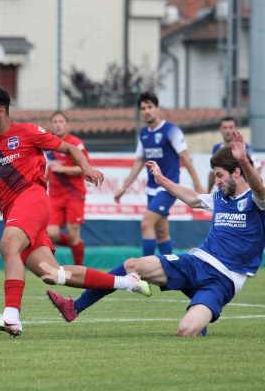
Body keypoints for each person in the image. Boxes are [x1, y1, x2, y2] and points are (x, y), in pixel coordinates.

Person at [0, 84, 151, 337]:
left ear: (1, 111)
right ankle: (127, 282)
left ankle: (12, 316)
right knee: (52, 274)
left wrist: (87, 169)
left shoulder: (27, 132)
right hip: (12, 210)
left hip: (32, 198)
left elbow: (69, 148)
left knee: (8, 246)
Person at [47, 131, 265, 336]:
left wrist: (244, 161)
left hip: (222, 280)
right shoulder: (220, 198)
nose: (216, 181)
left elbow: (260, 190)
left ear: (237, 172)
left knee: (185, 331)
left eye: (219, 175)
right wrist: (162, 181)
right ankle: (74, 307)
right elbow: (192, 198)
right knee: (132, 265)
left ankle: (199, 318)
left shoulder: (256, 201)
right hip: (195, 263)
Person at [114, 91, 205, 257]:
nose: (147, 111)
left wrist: (198, 184)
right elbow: (139, 161)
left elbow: (185, 157)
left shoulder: (171, 130)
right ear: (140, 112)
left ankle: (145, 274)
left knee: (146, 224)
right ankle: (169, 276)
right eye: (143, 108)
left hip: (168, 188)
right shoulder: (143, 133)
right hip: (151, 189)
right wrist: (124, 187)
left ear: (157, 109)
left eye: (150, 107)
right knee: (162, 232)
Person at [45, 111, 88, 265]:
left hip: (74, 195)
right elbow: (46, 168)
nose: (58, 124)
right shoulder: (47, 144)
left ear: (67, 124)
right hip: (55, 196)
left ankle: (80, 269)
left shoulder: (76, 144)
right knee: (51, 234)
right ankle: (77, 246)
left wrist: (63, 170)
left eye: (61, 121)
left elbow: (85, 167)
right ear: (51, 125)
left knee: (73, 232)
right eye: (55, 121)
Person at [207, 117, 252, 192]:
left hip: (241, 193)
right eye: (225, 128)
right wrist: (208, 192)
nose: (228, 131)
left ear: (235, 129)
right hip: (223, 193)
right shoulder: (216, 148)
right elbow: (213, 173)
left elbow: (254, 170)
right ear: (220, 129)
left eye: (231, 127)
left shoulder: (245, 147)